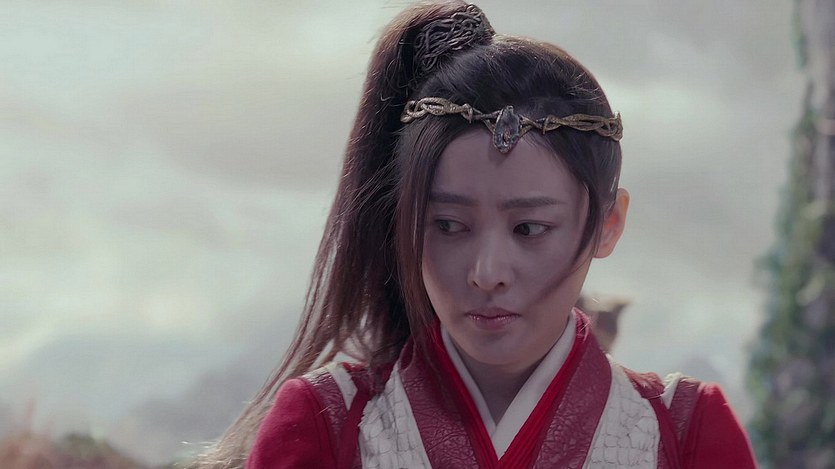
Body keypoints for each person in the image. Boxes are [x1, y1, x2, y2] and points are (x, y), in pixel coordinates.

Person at [195, 2, 757, 468]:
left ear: (608, 225)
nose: (487, 273)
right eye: (448, 226)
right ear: (404, 222)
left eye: (530, 228)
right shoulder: (323, 427)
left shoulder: (687, 434)